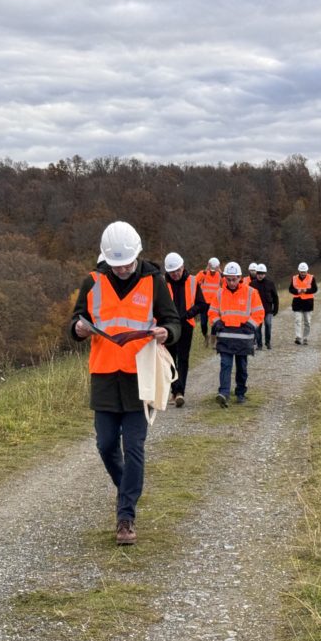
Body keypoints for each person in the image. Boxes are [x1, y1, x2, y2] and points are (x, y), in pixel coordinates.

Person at [70, 221, 181, 546]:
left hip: (139, 376)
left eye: (127, 264)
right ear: (106, 259)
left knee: (133, 448)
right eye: (116, 265)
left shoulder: (154, 281)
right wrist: (78, 329)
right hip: (104, 375)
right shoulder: (91, 282)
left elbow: (172, 321)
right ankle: (126, 491)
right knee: (105, 445)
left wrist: (166, 333)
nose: (122, 270)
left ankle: (125, 518)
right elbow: (76, 322)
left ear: (137, 256)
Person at [209, 261, 264, 407]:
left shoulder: (251, 293)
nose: (231, 282)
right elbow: (212, 311)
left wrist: (249, 325)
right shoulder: (220, 293)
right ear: (225, 278)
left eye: (234, 279)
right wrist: (217, 322)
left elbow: (259, 312)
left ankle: (240, 392)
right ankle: (224, 393)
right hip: (225, 337)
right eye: (228, 279)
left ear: (240, 277)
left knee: (242, 367)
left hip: (243, 338)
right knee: (225, 365)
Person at [162, 251, 208, 408]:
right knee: (169, 360)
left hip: (186, 326)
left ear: (183, 267)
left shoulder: (193, 281)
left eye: (178, 270)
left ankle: (180, 392)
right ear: (167, 271)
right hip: (168, 327)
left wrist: (189, 313)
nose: (175, 274)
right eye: (172, 271)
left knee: (183, 359)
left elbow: (202, 304)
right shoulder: (161, 283)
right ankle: (175, 391)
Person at [250, 263, 279, 350]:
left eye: (262, 274)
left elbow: (275, 297)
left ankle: (268, 342)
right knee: (257, 328)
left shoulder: (270, 283)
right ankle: (259, 345)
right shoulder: (252, 284)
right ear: (256, 274)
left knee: (268, 324)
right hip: (256, 311)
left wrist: (276, 309)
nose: (260, 276)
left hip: (268, 309)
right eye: (258, 273)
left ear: (265, 274)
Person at [289, 261, 318, 345]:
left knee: (307, 322)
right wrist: (297, 291)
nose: (303, 273)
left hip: (308, 303)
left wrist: (306, 290)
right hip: (297, 302)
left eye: (304, 272)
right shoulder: (294, 278)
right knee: (298, 321)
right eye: (301, 272)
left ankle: (305, 338)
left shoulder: (311, 278)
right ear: (299, 271)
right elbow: (290, 289)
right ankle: (298, 337)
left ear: (307, 271)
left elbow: (315, 289)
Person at [195, 257, 222, 346]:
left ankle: (213, 342)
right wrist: (205, 272)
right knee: (203, 323)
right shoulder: (203, 274)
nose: (213, 272)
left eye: (215, 270)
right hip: (204, 303)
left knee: (214, 323)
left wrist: (221, 273)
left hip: (215, 304)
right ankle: (206, 336)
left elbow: (226, 283)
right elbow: (195, 282)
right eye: (212, 270)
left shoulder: (219, 275)